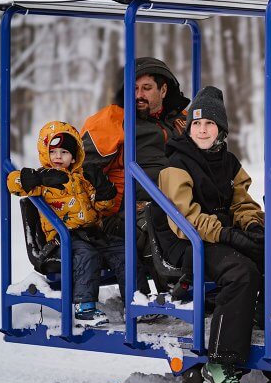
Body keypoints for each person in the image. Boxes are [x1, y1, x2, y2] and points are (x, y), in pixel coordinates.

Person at [150, 86, 264, 383]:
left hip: (213, 235)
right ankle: (220, 361)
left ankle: (262, 322)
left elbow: (242, 201)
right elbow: (184, 217)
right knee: (241, 272)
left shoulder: (228, 162)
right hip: (184, 240)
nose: (202, 130)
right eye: (197, 124)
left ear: (221, 129)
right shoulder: (176, 164)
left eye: (209, 124)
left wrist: (251, 227)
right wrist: (227, 234)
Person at [80, 57, 190, 294]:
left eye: (147, 88)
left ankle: (213, 285)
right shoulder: (113, 120)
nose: (138, 95)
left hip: (176, 199)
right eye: (134, 88)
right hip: (124, 210)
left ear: (163, 89)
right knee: (159, 221)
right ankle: (173, 291)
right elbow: (81, 166)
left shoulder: (180, 120)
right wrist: (100, 191)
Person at [7, 121, 124, 327]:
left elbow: (100, 210)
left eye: (64, 152)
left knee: (123, 249)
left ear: (74, 156)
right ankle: (85, 307)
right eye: (53, 152)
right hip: (61, 240)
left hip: (90, 233)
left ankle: (136, 301)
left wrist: (105, 192)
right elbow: (13, 184)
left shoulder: (82, 180)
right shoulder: (42, 181)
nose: (58, 157)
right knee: (87, 254)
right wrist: (33, 178)